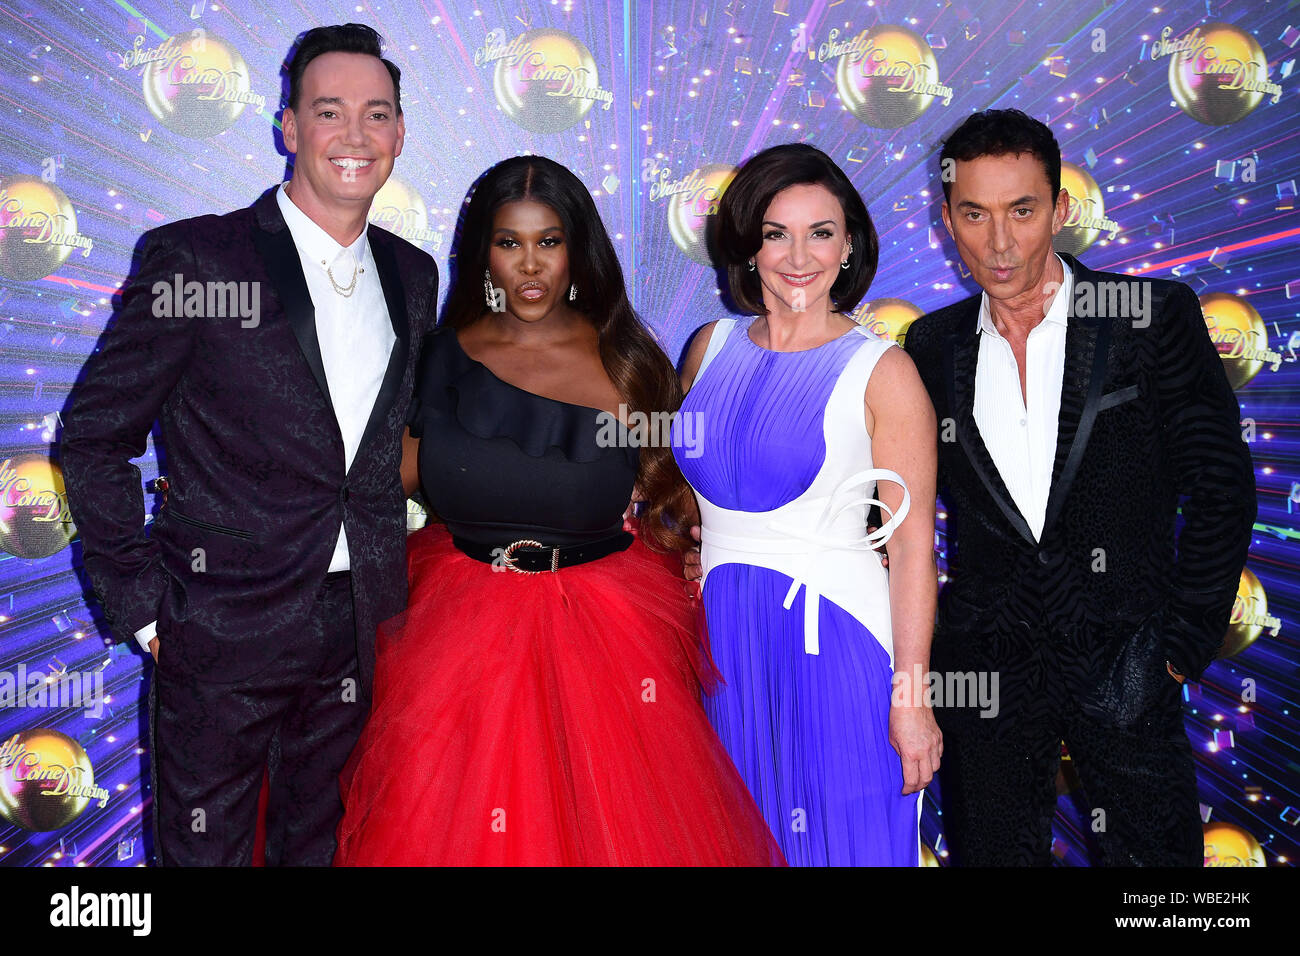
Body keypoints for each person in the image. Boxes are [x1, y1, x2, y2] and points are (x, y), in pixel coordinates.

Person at [333, 155, 785, 866]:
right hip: (454, 641)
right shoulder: (439, 358)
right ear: (483, 251)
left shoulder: (629, 360)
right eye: (509, 242)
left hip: (606, 643)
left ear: (577, 249)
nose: (530, 264)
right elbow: (376, 479)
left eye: (548, 241)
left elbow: (686, 496)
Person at [60, 24, 438, 865]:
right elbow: (93, 439)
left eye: (376, 115)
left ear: (401, 135)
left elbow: (393, 447)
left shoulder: (415, 275)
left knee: (324, 846)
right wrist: (147, 608)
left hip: (360, 623)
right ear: (287, 126)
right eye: (329, 111)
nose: (354, 136)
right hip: (219, 620)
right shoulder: (200, 258)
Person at [902, 108, 1256, 866]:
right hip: (987, 669)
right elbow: (891, 501)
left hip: (1129, 656)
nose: (999, 243)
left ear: (1060, 209)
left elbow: (1222, 487)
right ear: (948, 219)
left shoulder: (1150, 317)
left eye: (1022, 211)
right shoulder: (932, 346)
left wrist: (1176, 650)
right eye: (975, 214)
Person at [672, 143, 941, 866]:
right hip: (722, 642)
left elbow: (914, 549)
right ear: (746, 244)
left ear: (849, 243)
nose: (799, 256)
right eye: (775, 233)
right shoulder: (707, 348)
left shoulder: (883, 371)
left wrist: (912, 698)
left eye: (821, 232)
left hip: (838, 642)